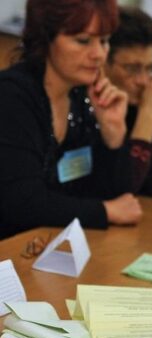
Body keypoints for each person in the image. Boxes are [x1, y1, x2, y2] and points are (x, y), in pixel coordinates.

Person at [0, 0, 142, 240]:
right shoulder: (11, 96)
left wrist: (113, 135)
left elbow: (116, 196)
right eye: (83, 41)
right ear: (46, 39)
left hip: (48, 247)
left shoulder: (82, 97)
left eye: (104, 41)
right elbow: (22, 204)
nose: (98, 54)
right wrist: (104, 212)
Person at [104, 6, 152, 197]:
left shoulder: (136, 107)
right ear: (102, 61)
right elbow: (124, 190)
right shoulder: (86, 107)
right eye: (132, 68)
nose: (143, 81)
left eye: (150, 69)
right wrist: (146, 119)